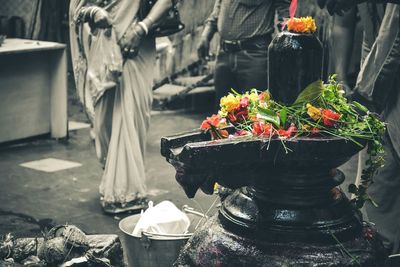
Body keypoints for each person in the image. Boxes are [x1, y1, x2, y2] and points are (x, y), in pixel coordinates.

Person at [69, 0, 173, 214]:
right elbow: (77, 10)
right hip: (103, 49)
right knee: (104, 123)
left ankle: (126, 192)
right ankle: (115, 180)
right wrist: (94, 12)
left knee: (130, 114)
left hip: (138, 46)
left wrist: (141, 28)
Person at [321, 0, 400, 255]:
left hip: (383, 87)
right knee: (376, 187)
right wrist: (353, 86)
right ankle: (381, 253)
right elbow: (374, 41)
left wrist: (365, 97)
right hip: (378, 88)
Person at [197, 0, 290, 109]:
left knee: (255, 113)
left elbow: (285, 17)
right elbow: (217, 10)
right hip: (224, 53)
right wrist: (205, 36)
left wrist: (287, 44)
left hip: (255, 56)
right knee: (223, 114)